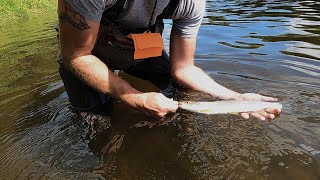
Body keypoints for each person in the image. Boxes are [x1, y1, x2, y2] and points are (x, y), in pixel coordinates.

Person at [57, 0, 281, 121]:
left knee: (176, 90)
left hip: (140, 48)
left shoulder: (190, 3)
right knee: (94, 119)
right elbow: (76, 56)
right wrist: (135, 98)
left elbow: (184, 68)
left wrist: (235, 97)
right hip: (85, 53)